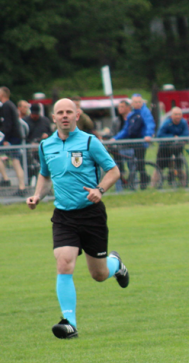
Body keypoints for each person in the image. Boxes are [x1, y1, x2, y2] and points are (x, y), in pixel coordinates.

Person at [26, 99, 130, 339]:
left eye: (68, 112)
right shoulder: (46, 145)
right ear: (53, 117)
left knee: (99, 275)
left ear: (76, 115)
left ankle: (116, 265)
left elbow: (114, 171)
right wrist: (37, 196)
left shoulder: (90, 141)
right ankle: (68, 322)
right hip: (63, 215)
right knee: (64, 262)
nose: (64, 116)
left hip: (91, 214)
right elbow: (44, 175)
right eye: (60, 112)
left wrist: (99, 190)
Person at [112, 96, 150, 188]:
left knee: (136, 166)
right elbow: (123, 131)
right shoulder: (117, 120)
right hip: (120, 147)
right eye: (119, 107)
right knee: (119, 167)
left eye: (122, 107)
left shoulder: (138, 115)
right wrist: (114, 138)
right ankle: (121, 188)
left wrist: (148, 135)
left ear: (129, 107)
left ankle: (138, 184)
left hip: (133, 146)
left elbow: (148, 125)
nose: (119, 109)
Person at [0, 86, 28, 195]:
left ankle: (10, 181)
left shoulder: (6, 106)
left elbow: (8, 124)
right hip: (15, 136)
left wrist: (6, 139)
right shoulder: (10, 105)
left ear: (2, 95)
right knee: (16, 161)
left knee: (16, 162)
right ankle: (20, 186)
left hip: (12, 138)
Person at [153, 107, 189, 186]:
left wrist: (179, 139)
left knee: (179, 166)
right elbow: (160, 135)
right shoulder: (167, 123)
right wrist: (172, 137)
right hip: (164, 148)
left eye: (179, 114)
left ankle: (184, 184)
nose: (177, 116)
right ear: (172, 115)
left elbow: (186, 134)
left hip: (177, 148)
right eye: (175, 114)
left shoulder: (184, 123)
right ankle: (153, 185)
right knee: (159, 167)